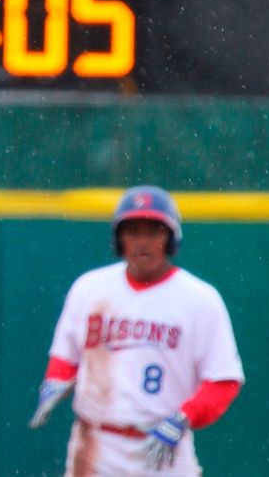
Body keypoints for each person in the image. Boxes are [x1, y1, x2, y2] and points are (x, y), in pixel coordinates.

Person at [27, 185, 244, 476]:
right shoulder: (89, 288)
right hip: (95, 446)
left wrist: (184, 417)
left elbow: (224, 380)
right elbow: (65, 357)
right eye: (133, 230)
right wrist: (55, 380)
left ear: (170, 237)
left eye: (153, 231)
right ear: (119, 238)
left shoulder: (200, 299)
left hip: (164, 447)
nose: (142, 241)